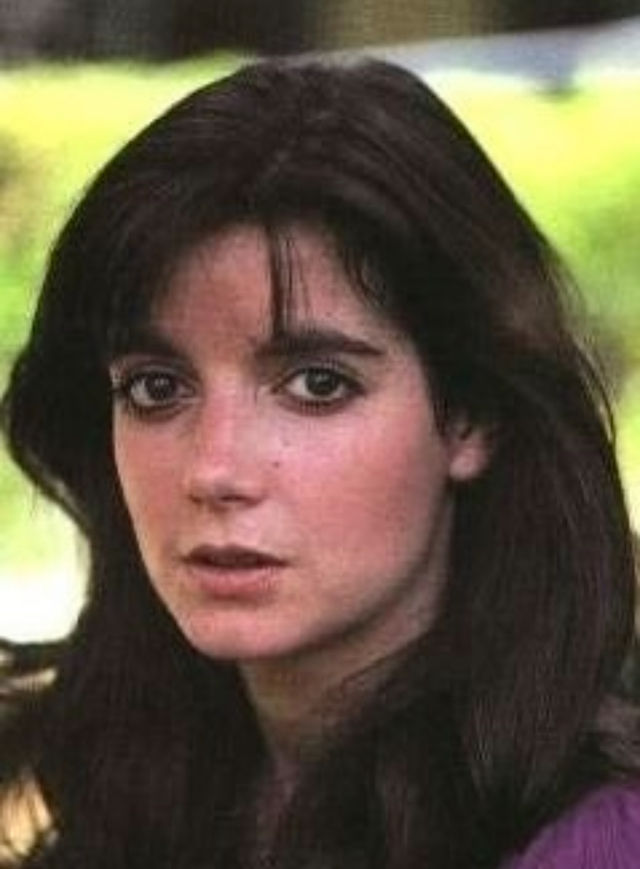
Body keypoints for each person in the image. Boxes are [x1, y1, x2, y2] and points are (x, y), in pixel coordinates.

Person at [0, 57, 638, 869]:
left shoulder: (599, 842)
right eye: (157, 388)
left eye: (316, 384)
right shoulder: (130, 800)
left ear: (470, 415)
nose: (214, 470)